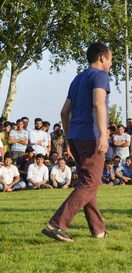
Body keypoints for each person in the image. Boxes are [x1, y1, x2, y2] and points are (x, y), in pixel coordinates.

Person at [42, 42, 112, 242]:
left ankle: (98, 230)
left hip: (75, 135)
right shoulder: (100, 76)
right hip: (92, 136)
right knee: (91, 182)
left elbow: (64, 111)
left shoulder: (77, 78)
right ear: (101, 58)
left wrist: (68, 136)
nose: (111, 63)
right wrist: (103, 135)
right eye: (110, 59)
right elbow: (99, 103)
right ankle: (57, 224)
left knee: (87, 183)